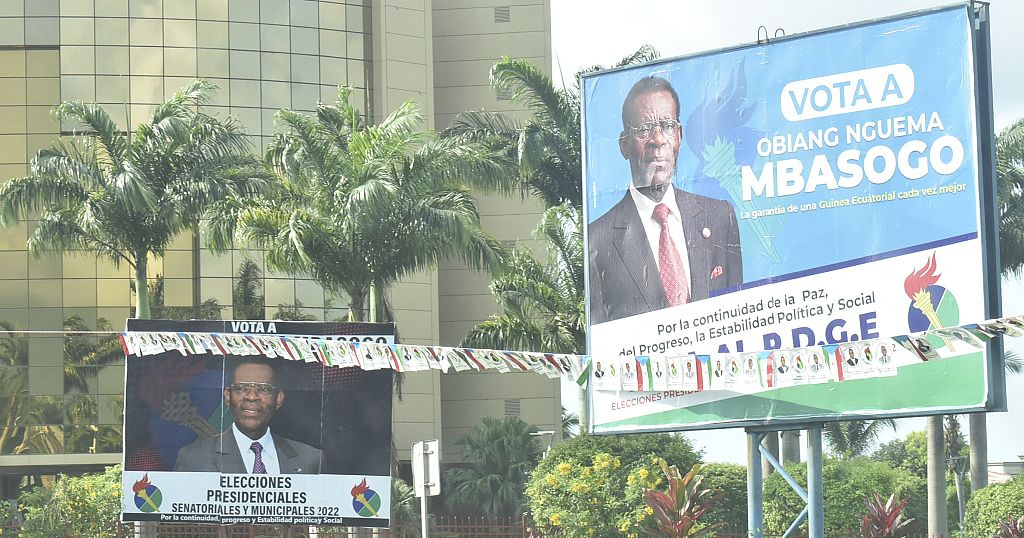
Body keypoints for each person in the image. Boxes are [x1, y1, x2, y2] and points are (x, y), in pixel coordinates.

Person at [588, 76, 743, 324]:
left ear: (679, 137)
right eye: (644, 129)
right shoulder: (596, 240)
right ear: (624, 144)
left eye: (667, 126)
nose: (657, 140)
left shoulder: (719, 218)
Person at [175, 357, 321, 474]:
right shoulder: (194, 458)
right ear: (227, 397)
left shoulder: (310, 459)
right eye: (242, 388)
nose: (251, 397)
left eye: (263, 389)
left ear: (278, 399)